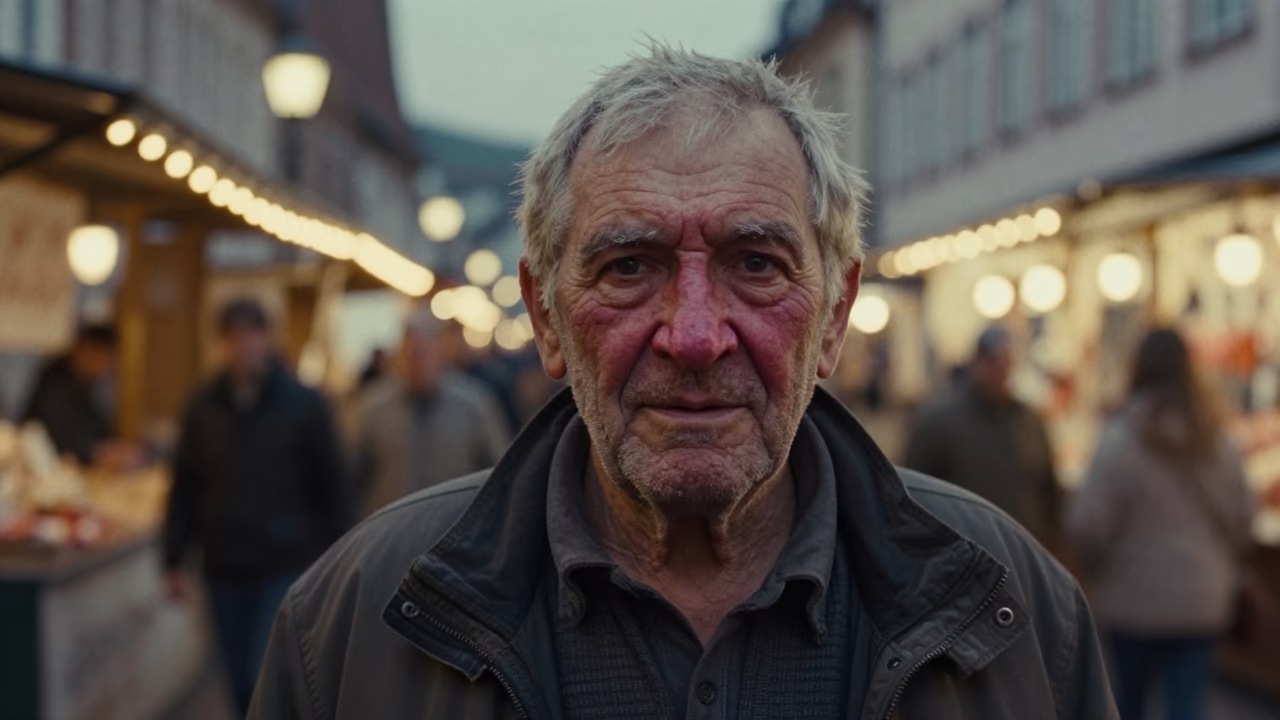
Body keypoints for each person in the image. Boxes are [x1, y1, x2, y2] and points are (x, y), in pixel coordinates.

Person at [250, 47, 1116, 719]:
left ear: (834, 316)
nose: (695, 337)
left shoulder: (1020, 613)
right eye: (629, 267)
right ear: (546, 317)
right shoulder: (351, 625)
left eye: (756, 263)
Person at [162, 297, 353, 716]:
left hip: (284, 564)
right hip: (223, 565)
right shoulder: (202, 406)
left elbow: (333, 487)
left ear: (268, 338)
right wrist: (173, 557)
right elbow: (185, 486)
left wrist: (338, 559)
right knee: (234, 676)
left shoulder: (304, 404)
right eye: (234, 337)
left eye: (251, 334)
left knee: (264, 672)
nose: (243, 346)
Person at [1067, 328, 1255, 720]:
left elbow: (1087, 526)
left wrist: (1101, 571)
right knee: (1187, 706)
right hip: (1202, 598)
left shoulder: (1119, 438)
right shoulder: (1219, 439)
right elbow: (1244, 517)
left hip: (1133, 598)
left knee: (1128, 704)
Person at [904, 326, 1063, 553]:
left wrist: (1049, 545)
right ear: (976, 364)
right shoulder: (939, 421)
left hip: (1024, 551)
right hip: (967, 557)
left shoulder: (1029, 421)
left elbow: (1048, 490)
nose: (999, 371)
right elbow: (913, 495)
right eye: (992, 362)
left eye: (1005, 362)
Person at [351, 314, 511, 517]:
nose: (416, 363)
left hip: (454, 523)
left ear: (439, 352)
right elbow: (353, 474)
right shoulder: (373, 409)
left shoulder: (473, 405)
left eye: (423, 353)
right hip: (392, 524)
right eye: (410, 354)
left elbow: (500, 468)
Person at [22, 324, 141, 470]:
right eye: (104, 359)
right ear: (85, 350)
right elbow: (55, 433)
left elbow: (97, 425)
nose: (105, 368)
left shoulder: (85, 383)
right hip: (46, 468)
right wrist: (95, 452)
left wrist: (113, 446)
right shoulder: (55, 381)